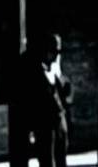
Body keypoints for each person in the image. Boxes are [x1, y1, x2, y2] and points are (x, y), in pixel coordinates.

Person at [18, 33, 73, 167]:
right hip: (44, 124)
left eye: (57, 52)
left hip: (60, 122)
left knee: (61, 159)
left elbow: (68, 96)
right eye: (53, 52)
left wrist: (58, 75)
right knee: (48, 161)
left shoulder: (56, 70)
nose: (55, 56)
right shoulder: (34, 71)